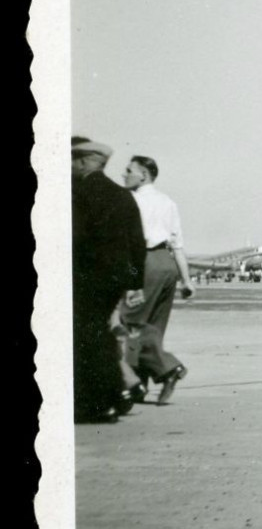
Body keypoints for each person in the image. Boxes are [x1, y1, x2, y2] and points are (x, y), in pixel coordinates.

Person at [71, 138, 146, 422]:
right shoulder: (122, 195)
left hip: (87, 277)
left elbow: (75, 239)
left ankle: (98, 403)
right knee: (100, 334)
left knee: (87, 338)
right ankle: (115, 396)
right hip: (115, 280)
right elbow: (137, 243)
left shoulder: (78, 193)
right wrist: (135, 282)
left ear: (82, 161)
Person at [121, 155, 194, 405]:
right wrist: (186, 280)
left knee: (129, 324)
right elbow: (178, 245)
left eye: (128, 170)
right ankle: (140, 382)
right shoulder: (167, 202)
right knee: (153, 326)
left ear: (143, 175)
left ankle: (166, 370)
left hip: (144, 263)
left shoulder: (130, 200)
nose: (124, 174)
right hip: (167, 264)